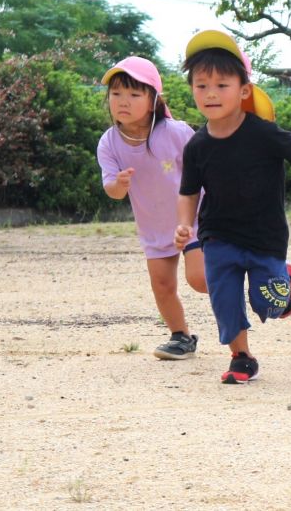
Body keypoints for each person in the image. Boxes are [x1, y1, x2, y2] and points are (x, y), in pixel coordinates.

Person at [175, 30, 291, 384]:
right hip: (218, 237)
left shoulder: (264, 133)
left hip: (265, 236)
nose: (211, 93)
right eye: (201, 86)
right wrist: (184, 226)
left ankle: (285, 285)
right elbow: (188, 192)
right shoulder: (196, 146)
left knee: (268, 304)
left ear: (244, 90)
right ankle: (241, 357)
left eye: (221, 85)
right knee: (224, 298)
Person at [97, 56, 208, 361]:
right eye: (116, 94)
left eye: (134, 94)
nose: (123, 101)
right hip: (154, 228)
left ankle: (240, 280)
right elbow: (113, 191)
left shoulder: (175, 131)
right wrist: (119, 184)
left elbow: (204, 167)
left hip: (193, 219)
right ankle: (181, 337)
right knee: (162, 285)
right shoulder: (109, 143)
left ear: (153, 100)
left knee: (199, 279)